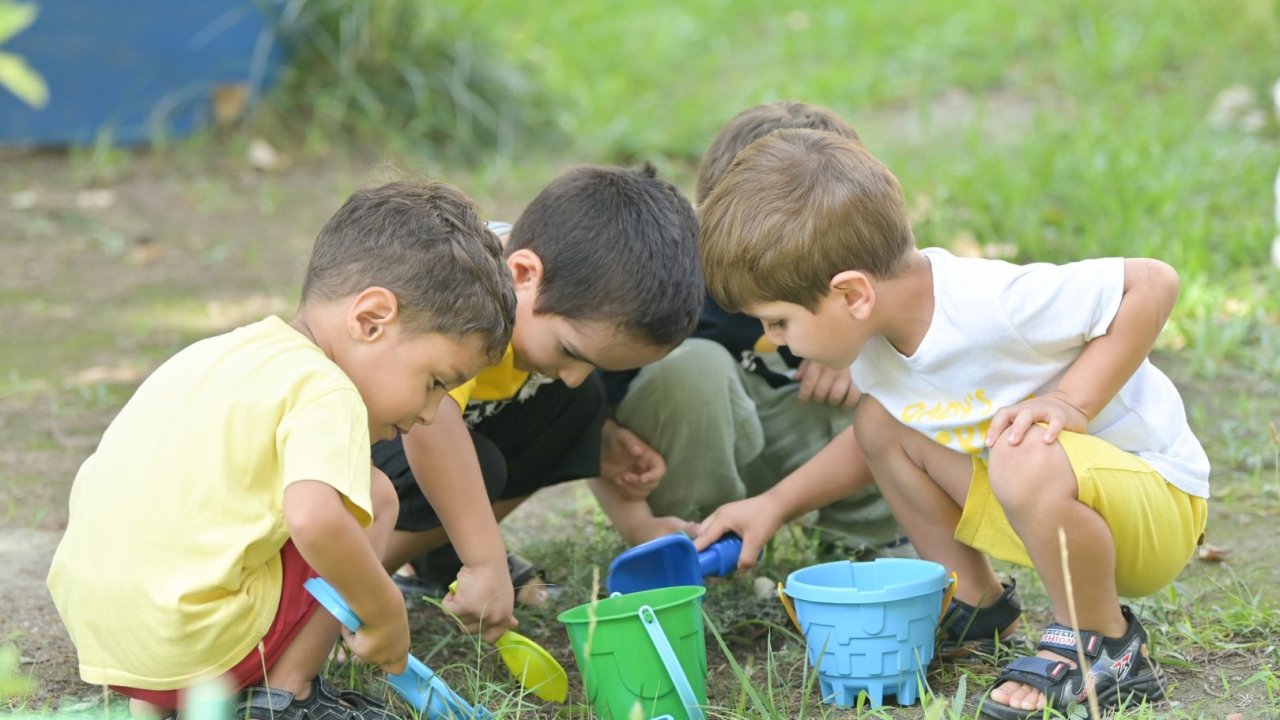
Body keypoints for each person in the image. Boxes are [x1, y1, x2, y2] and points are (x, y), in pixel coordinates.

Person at [693, 128, 1209, 718]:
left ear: (852, 293)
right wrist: (775, 504)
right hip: (1049, 508)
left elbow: (1152, 283)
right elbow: (874, 446)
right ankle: (974, 604)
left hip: (1155, 508)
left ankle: (1107, 647)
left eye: (779, 321)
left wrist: (1072, 403)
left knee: (1022, 449)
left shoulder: (992, 303)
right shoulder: (878, 341)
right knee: (880, 423)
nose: (770, 338)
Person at [46, 181, 518, 719]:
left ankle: (154, 703)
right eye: (436, 381)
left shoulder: (223, 352)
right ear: (370, 321)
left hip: (107, 636)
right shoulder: (326, 387)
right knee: (374, 492)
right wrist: (385, 610)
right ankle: (287, 696)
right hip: (195, 648)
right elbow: (315, 518)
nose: (432, 412)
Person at [373, 163, 704, 605]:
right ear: (524, 275)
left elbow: (564, 387)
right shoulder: (463, 293)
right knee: (477, 462)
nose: (572, 375)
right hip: (340, 455)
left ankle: (444, 553)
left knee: (579, 405)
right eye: (571, 353)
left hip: (409, 438)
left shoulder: (544, 299)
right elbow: (432, 429)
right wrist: (487, 561)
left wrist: (617, 471)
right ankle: (346, 587)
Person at [594, 101, 902, 551]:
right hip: (690, 451)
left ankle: (866, 550)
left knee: (889, 389)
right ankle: (696, 545)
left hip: (796, 445)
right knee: (694, 368)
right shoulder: (660, 279)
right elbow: (583, 411)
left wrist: (862, 350)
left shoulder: (860, 277)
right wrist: (629, 503)